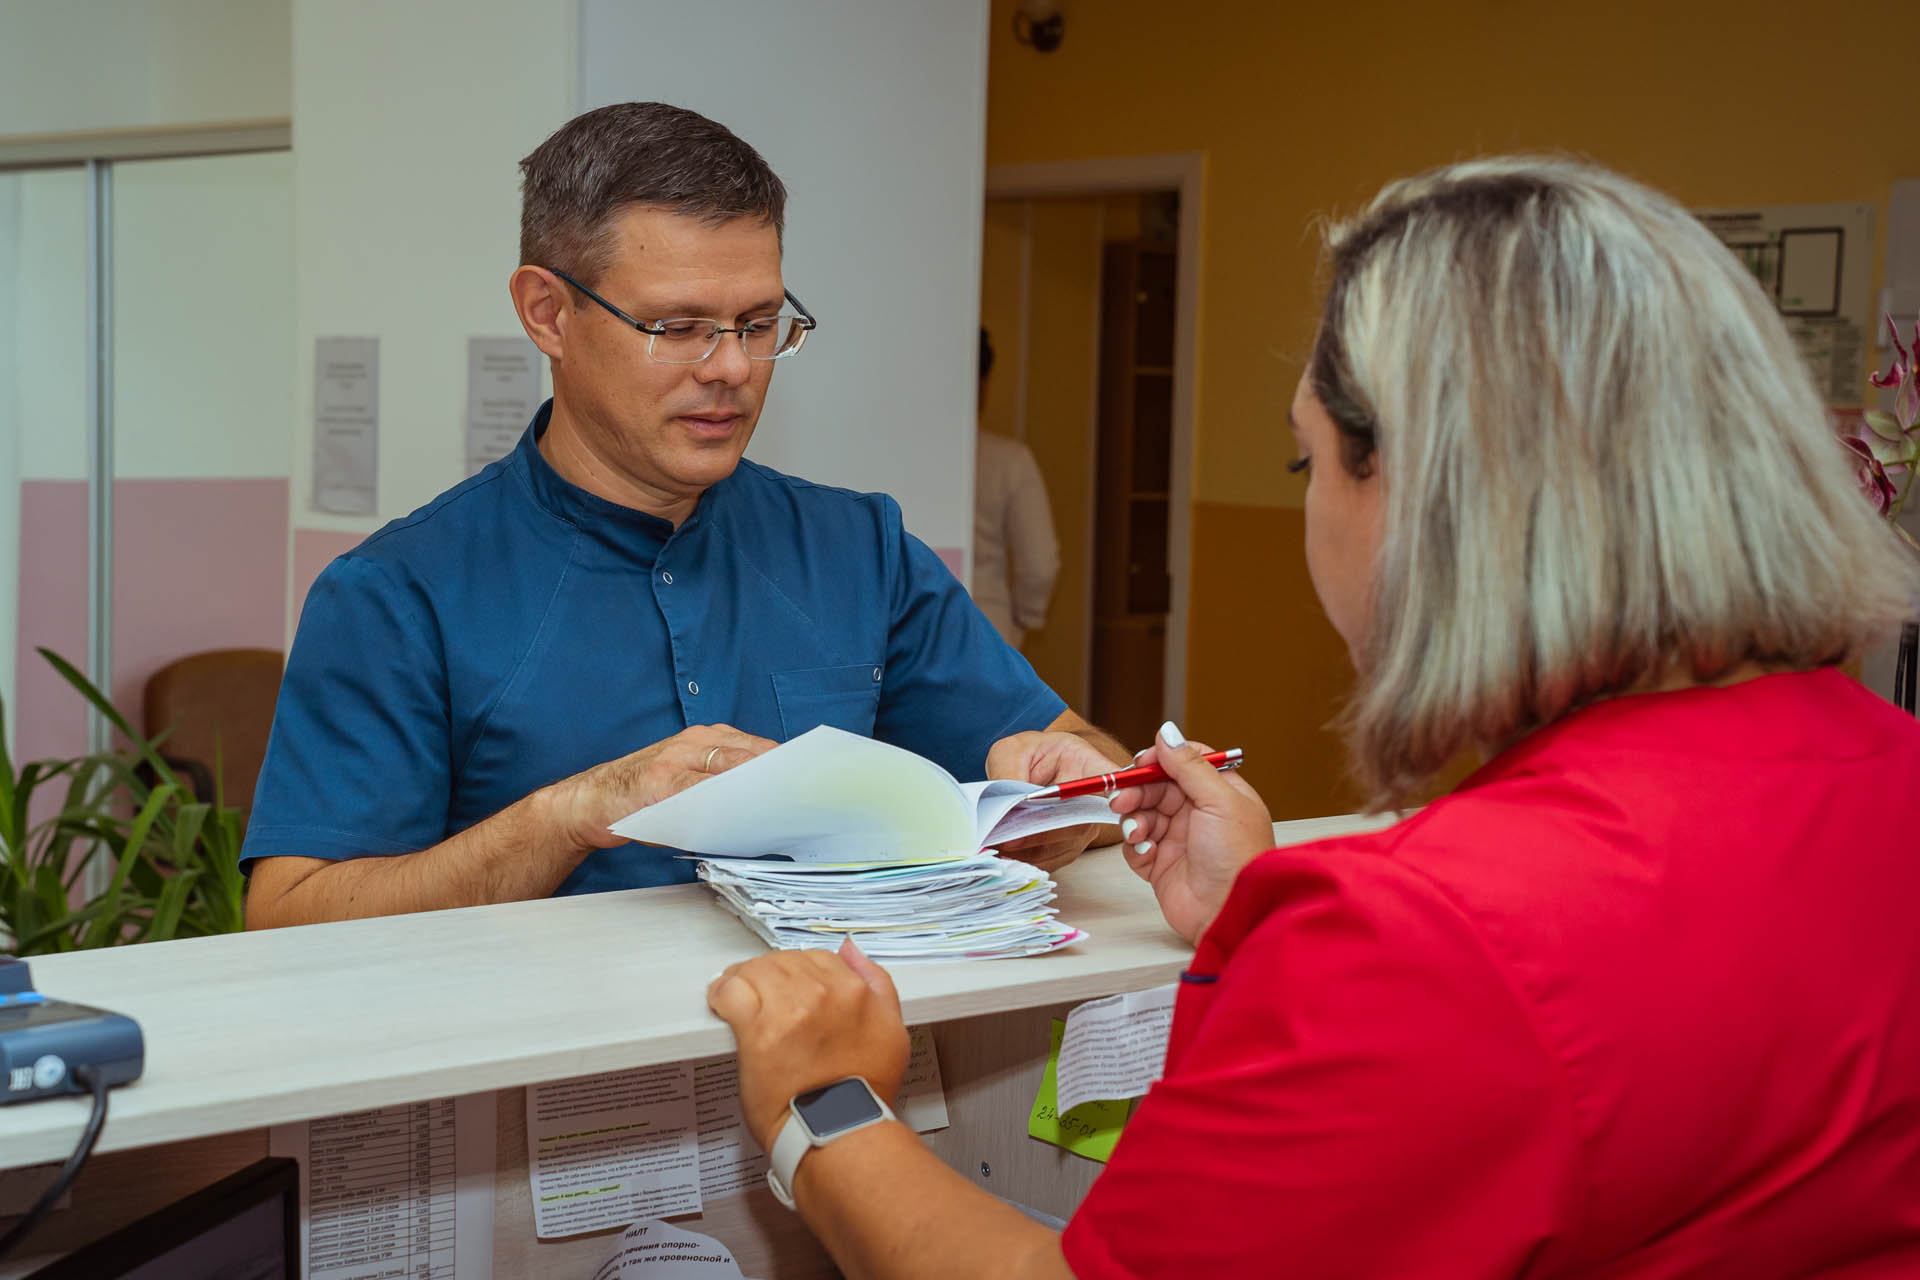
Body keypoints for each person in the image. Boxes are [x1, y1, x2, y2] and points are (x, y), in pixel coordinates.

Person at [706, 157, 1920, 1277]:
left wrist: (827, 1106)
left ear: (1412, 483)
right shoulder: (1887, 774)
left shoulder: (1428, 939)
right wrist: (1253, 918)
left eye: (1307, 461)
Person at [241, 103, 1125, 928]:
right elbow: (288, 916)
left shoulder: (861, 550)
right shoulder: (399, 594)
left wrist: (1073, 791)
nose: (732, 368)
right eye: (678, 326)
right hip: (551, 1081)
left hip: (829, 1066)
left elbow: (1071, 749)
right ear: (548, 314)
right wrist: (572, 815)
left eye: (758, 322)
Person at [972, 328, 1060, 647]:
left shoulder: (907, 459)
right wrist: (1026, 616)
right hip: (989, 628)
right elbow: (1040, 565)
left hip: (913, 636)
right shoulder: (1010, 461)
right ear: (982, 385)